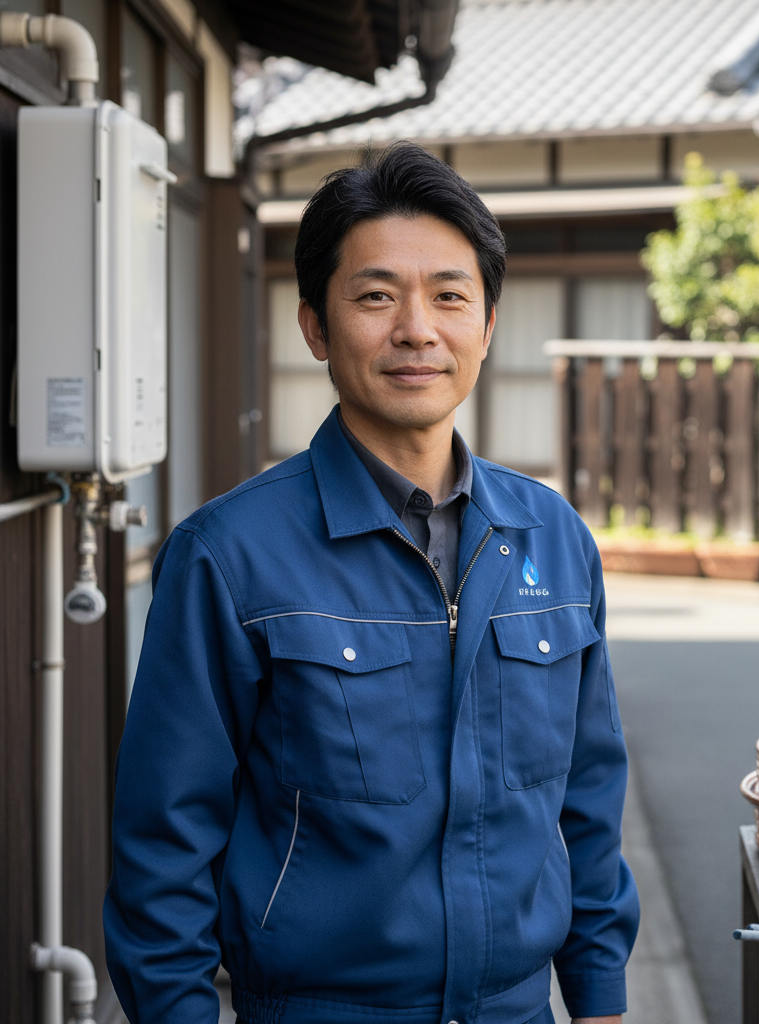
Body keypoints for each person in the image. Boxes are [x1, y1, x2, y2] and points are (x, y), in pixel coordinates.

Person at [104, 142, 639, 1024]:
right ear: (315, 326)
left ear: (487, 323)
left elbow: (586, 797)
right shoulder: (228, 555)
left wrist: (601, 997)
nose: (417, 329)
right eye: (377, 296)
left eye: (450, 296)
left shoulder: (554, 537)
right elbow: (163, 848)